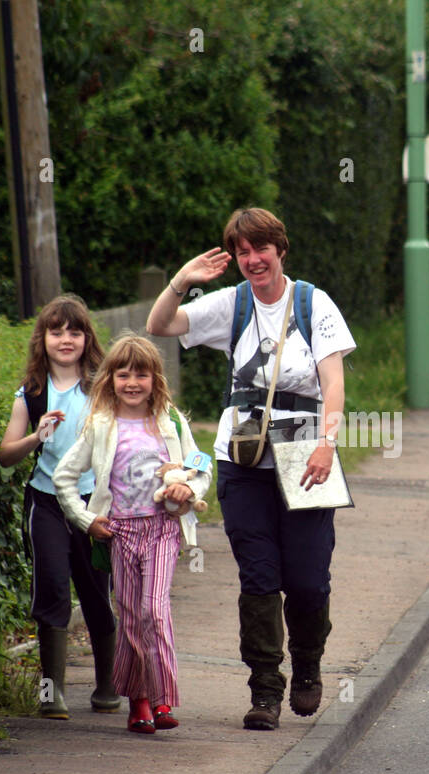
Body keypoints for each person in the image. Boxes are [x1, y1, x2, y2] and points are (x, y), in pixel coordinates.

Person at [146, 207, 356, 730]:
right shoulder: (233, 303)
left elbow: (333, 382)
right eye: (242, 252)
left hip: (305, 454)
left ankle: (307, 664)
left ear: (280, 249)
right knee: (258, 578)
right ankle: (264, 689)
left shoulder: (312, 302)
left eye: (260, 249)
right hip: (241, 458)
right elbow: (160, 325)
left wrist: (327, 443)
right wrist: (181, 282)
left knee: (308, 579)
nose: (252, 260)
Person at [52, 333, 210, 734]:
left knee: (154, 610)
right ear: (110, 380)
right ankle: (137, 700)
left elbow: (201, 466)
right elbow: (64, 477)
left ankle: (163, 699)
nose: (133, 383)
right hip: (119, 534)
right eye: (124, 375)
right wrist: (87, 520)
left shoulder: (171, 421)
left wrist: (189, 488)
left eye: (142, 374)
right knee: (131, 617)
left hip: (161, 531)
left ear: (156, 379)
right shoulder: (101, 426)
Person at [0, 294, 118, 719]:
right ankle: (52, 694)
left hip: (95, 503)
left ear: (87, 338)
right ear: (42, 339)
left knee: (97, 591)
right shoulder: (30, 393)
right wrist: (36, 437)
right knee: (51, 589)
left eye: (74, 331)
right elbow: (6, 453)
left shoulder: (105, 387)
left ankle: (107, 686)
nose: (65, 339)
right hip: (46, 502)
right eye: (56, 331)